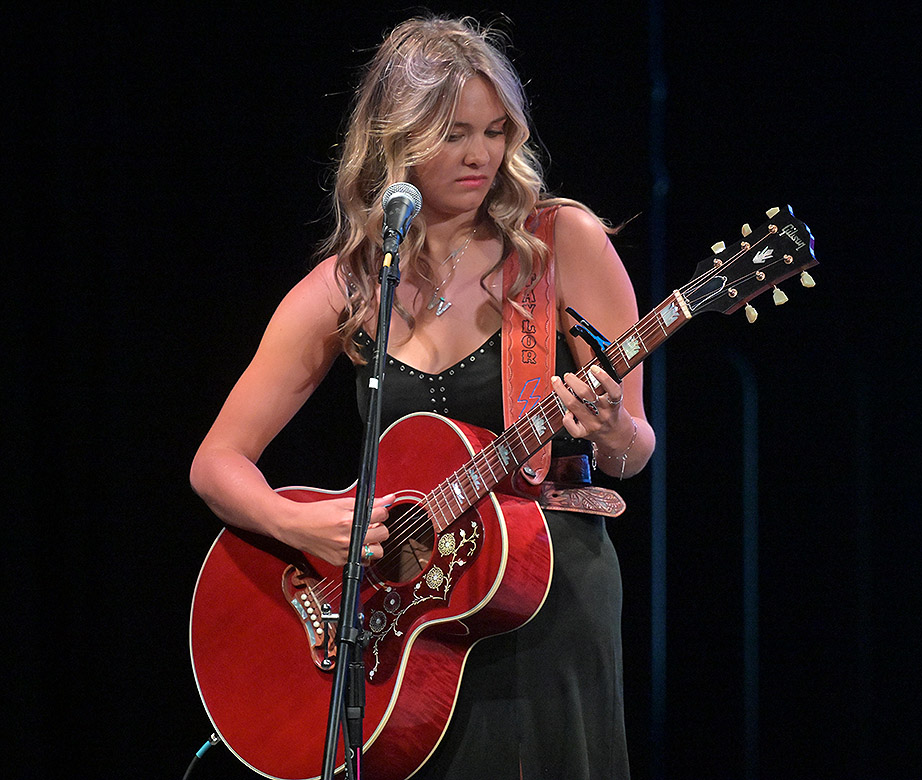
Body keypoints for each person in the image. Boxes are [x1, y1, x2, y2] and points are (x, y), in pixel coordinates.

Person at [189, 14, 654, 780]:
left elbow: (634, 449)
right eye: (454, 133)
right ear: (396, 139)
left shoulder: (559, 244)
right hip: (401, 638)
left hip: (547, 603)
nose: (482, 155)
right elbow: (217, 462)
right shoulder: (352, 283)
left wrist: (611, 430)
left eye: (496, 129)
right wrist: (297, 522)